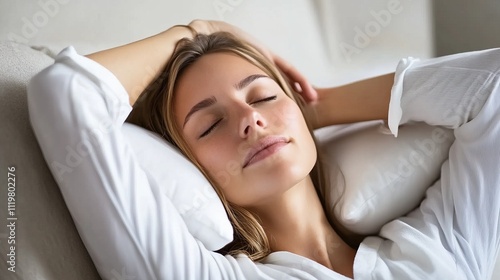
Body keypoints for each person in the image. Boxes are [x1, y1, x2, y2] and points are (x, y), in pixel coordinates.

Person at [27, 19, 500, 279]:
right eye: (210, 125)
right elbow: (65, 95)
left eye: (263, 97)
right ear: (194, 169)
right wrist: (191, 31)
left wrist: (319, 104)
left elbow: (493, 88)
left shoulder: (438, 247)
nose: (250, 120)